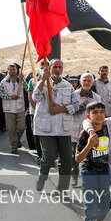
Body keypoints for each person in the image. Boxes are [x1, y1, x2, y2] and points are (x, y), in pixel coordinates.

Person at [33, 59, 80, 192]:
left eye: (60, 67)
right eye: (55, 67)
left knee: (66, 162)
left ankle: (62, 190)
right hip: (46, 128)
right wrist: (42, 80)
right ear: (50, 68)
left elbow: (76, 105)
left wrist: (61, 109)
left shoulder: (68, 86)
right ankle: (42, 177)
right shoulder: (42, 83)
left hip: (63, 129)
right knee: (49, 157)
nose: (57, 70)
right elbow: (35, 98)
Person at [75, 101, 111, 221]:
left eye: (102, 112)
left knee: (106, 205)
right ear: (89, 116)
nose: (99, 115)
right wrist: (89, 145)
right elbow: (78, 158)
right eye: (95, 112)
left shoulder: (108, 129)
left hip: (104, 173)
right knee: (90, 208)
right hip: (88, 172)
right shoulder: (84, 134)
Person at [70, 72, 101, 186]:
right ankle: (74, 176)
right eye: (85, 81)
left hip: (90, 131)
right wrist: (84, 105)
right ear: (80, 82)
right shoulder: (74, 95)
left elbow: (99, 114)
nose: (87, 83)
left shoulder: (97, 97)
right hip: (76, 129)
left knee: (91, 155)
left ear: (92, 83)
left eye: (89, 81)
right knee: (74, 155)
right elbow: (71, 111)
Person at [0, 63, 26, 154]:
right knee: (11, 128)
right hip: (8, 108)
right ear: (8, 71)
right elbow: (0, 94)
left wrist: (23, 80)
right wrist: (10, 97)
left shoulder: (20, 80)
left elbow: (26, 88)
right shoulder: (4, 81)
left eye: (14, 69)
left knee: (22, 127)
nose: (12, 71)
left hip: (20, 107)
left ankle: (17, 140)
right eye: (11, 69)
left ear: (17, 70)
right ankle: (14, 146)